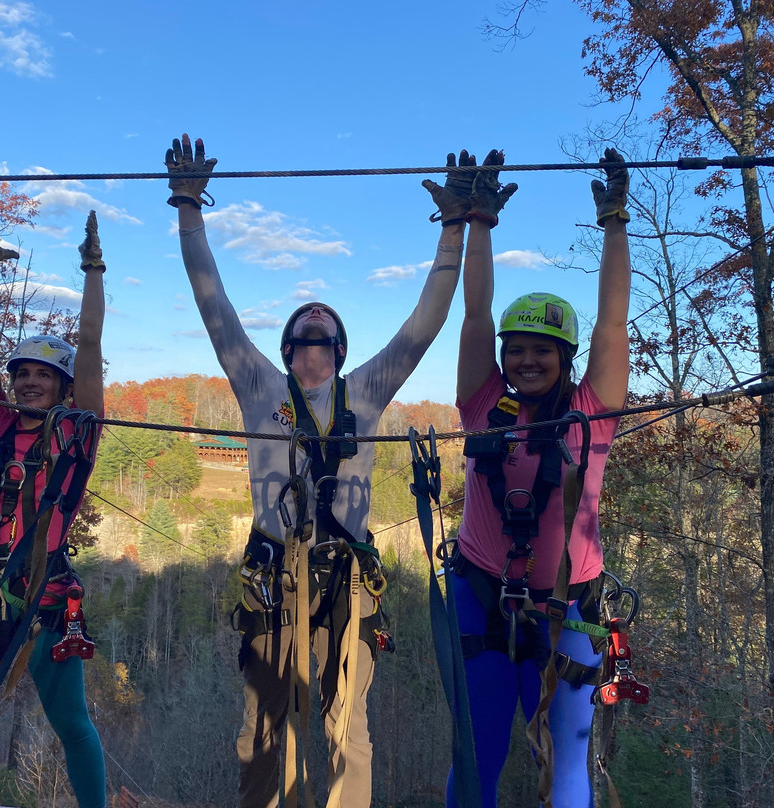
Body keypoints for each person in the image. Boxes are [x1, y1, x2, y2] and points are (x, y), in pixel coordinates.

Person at [166, 133, 467, 808]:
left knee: (348, 730)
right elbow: (213, 306)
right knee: (264, 727)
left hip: (346, 577)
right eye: (302, 338)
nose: (313, 348)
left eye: (324, 339)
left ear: (340, 350)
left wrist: (454, 234)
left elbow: (425, 324)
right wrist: (190, 210)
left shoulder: (366, 392)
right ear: (287, 349)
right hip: (272, 571)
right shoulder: (257, 386)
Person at [449, 148, 632, 808]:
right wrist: (480, 222)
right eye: (516, 350)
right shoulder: (482, 403)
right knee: (478, 756)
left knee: (565, 766)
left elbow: (612, 323)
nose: (526, 361)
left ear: (565, 358)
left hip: (567, 608)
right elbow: (474, 315)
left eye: (541, 351)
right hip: (480, 596)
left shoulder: (592, 413)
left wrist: (614, 222)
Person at [0, 210, 111, 808]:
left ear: (65, 387)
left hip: (46, 593)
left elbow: (89, 343)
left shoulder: (77, 433)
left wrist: (93, 269)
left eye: (45, 375)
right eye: (24, 374)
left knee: (72, 725)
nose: (31, 383)